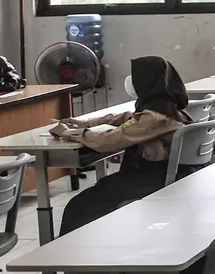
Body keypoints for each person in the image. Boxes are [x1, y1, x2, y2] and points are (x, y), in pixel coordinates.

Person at [53, 56, 191, 236]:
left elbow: (107, 142)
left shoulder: (154, 119)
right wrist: (87, 123)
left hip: (152, 179)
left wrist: (67, 133)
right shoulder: (169, 109)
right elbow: (131, 118)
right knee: (101, 190)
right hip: (174, 174)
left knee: (78, 206)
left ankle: (64, 259)